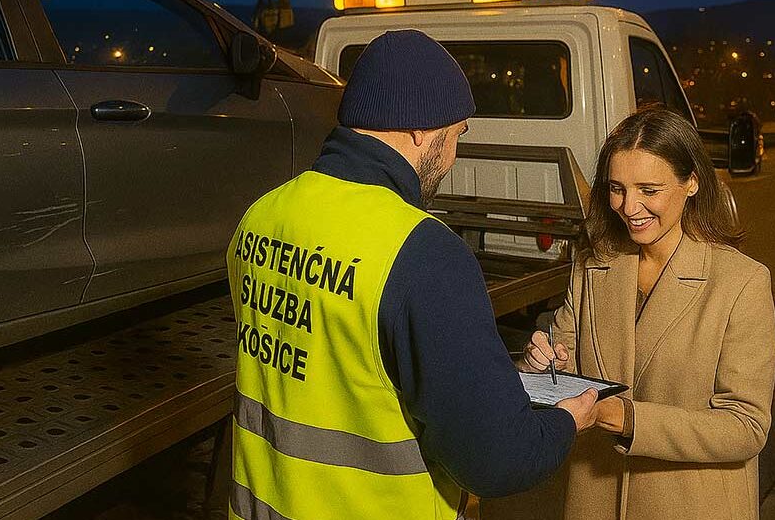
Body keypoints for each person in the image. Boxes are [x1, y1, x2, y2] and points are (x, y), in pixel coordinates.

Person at [226, 29, 598, 520]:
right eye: (457, 134)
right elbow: (497, 459)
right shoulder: (423, 253)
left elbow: (333, 366)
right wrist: (565, 423)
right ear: (422, 129)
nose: (453, 157)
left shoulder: (261, 217)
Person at [519, 106, 775, 520]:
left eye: (649, 190)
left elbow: (745, 427)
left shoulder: (741, 282)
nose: (629, 207)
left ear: (691, 182)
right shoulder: (593, 264)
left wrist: (624, 417)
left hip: (694, 507)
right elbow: (563, 359)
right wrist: (546, 363)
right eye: (616, 188)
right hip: (594, 500)